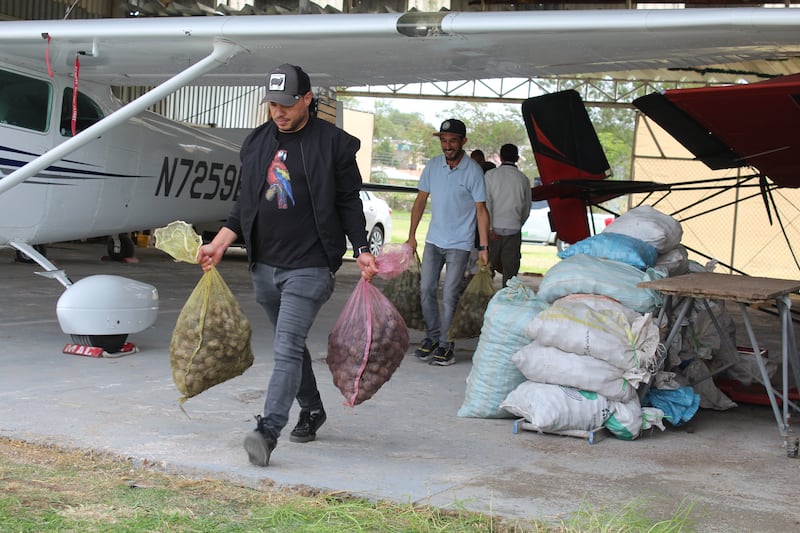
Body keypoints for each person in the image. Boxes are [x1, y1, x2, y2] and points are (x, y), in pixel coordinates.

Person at [197, 63, 378, 467]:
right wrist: (222, 241)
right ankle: (312, 408)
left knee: (285, 347)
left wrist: (361, 247)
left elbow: (349, 202)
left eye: (287, 103)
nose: (279, 111)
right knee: (290, 347)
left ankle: (268, 430)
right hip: (264, 265)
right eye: (273, 103)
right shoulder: (257, 143)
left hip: (310, 266)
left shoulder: (334, 144)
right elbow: (244, 202)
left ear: (307, 100)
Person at [408, 119, 490, 366]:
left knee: (451, 293)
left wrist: (484, 247)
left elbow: (481, 211)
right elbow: (420, 201)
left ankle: (446, 345)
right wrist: (412, 235)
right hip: (433, 240)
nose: (447, 145)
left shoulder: (473, 171)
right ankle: (433, 337)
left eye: (452, 140)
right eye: (443, 140)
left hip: (460, 244)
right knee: (426, 290)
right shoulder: (433, 166)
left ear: (463, 142)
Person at [484, 143, 531, 287]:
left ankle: (483, 300)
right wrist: (518, 224)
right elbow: (527, 207)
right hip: (513, 227)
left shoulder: (490, 175)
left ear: (500, 157)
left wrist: (490, 228)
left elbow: (487, 204)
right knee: (510, 272)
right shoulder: (523, 179)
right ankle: (507, 301)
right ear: (517, 158)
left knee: (486, 269)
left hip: (493, 228)